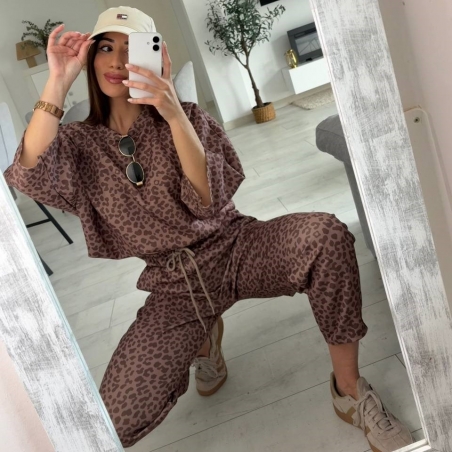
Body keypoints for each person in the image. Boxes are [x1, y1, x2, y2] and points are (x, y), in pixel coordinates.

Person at [4, 6, 413, 452]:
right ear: (90, 57)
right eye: (105, 48)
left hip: (237, 247)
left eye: (132, 48)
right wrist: (58, 80)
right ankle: (205, 341)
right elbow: (29, 175)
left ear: (155, 56)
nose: (118, 60)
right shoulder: (78, 145)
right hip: (173, 286)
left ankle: (349, 390)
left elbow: (208, 200)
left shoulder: (188, 117)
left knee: (325, 235)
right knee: (112, 420)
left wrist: (172, 112)